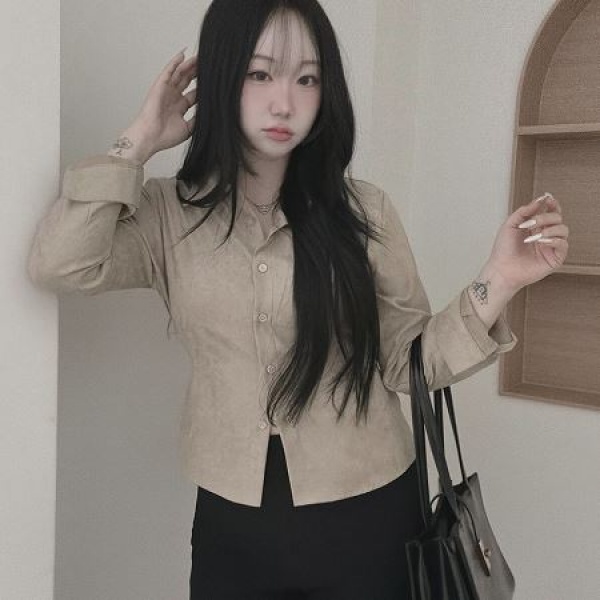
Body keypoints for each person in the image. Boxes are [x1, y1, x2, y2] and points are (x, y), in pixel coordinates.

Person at [27, 0, 569, 598]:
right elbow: (62, 263)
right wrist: (139, 139)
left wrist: (500, 277)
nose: (284, 102)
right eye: (260, 73)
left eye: (307, 79)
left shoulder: (365, 212)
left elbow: (408, 364)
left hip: (370, 517)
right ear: (223, 77)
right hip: (231, 525)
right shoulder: (166, 214)